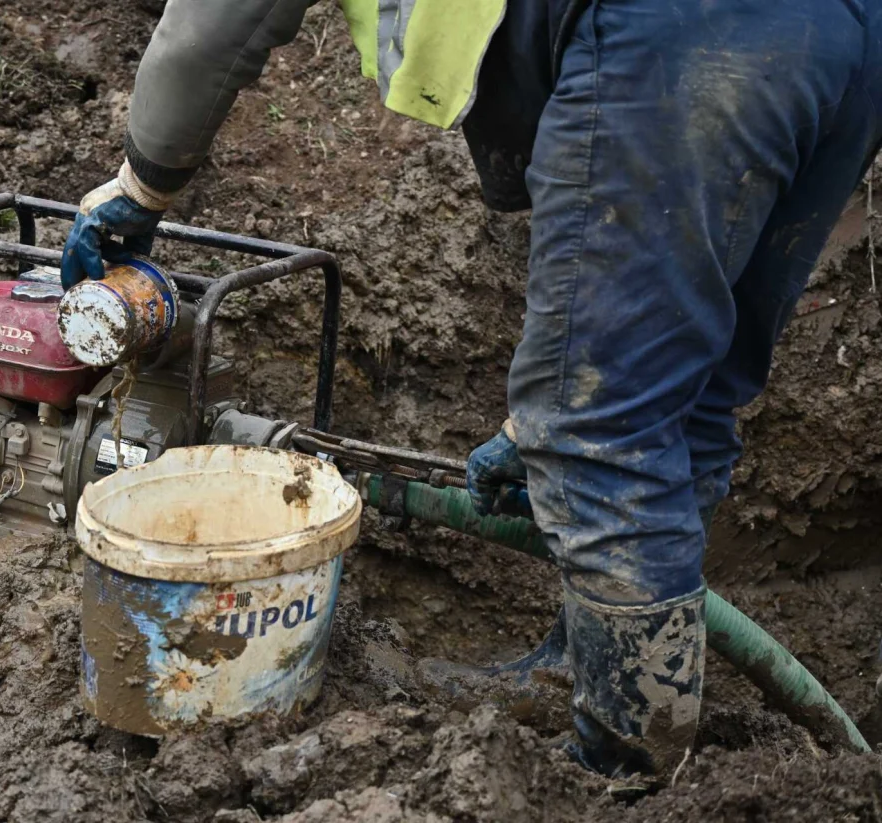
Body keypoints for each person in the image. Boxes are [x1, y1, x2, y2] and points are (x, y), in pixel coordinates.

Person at [60, 0, 882, 781]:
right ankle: (584, 674)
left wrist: (140, 186)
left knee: (599, 428)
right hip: (846, 39)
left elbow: (212, 28)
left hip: (677, 35)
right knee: (685, 393)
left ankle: (619, 773)